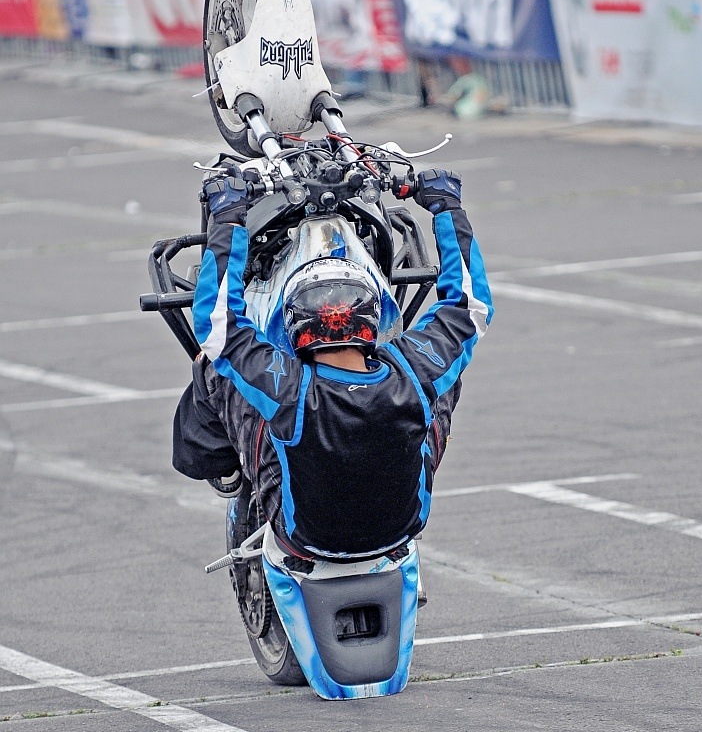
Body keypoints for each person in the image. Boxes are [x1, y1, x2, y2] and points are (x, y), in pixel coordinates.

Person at [173, 169, 493, 560]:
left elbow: (218, 326)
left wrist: (228, 219)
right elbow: (469, 307)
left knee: (214, 368)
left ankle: (223, 468)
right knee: (447, 375)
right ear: (371, 319)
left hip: (303, 538)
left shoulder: (286, 387)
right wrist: (447, 208)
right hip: (402, 529)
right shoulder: (413, 371)